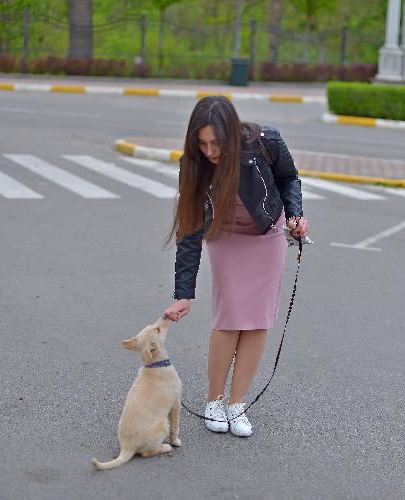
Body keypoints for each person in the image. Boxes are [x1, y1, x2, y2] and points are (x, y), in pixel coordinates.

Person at [163, 96, 309, 437]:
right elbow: (190, 230)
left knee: (258, 321)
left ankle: (237, 403)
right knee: (230, 318)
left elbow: (290, 179)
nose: (210, 151)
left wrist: (296, 213)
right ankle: (214, 400)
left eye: (216, 143)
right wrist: (183, 294)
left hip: (266, 233)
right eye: (202, 144)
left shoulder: (265, 143)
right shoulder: (194, 165)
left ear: (231, 133)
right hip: (225, 236)